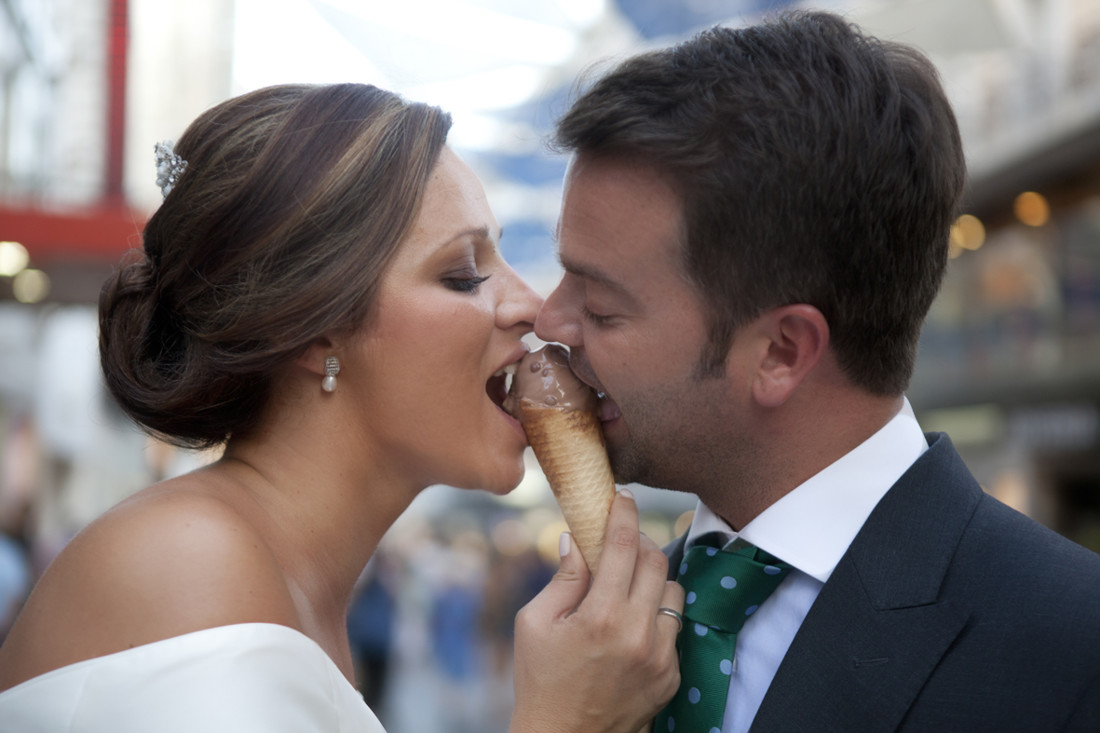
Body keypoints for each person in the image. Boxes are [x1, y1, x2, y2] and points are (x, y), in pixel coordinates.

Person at [0, 83, 683, 732]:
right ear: (308, 329)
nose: (531, 305)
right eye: (463, 274)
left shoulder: (289, 580)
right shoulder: (189, 564)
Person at [535, 10, 1100, 733]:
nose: (548, 321)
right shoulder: (594, 634)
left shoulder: (1072, 653)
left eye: (603, 307)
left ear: (781, 351)